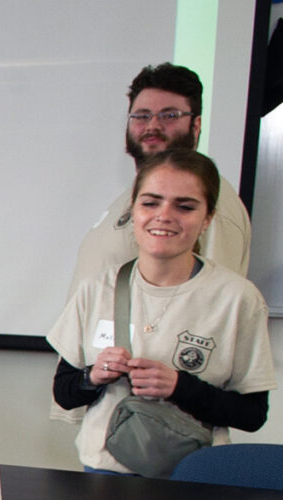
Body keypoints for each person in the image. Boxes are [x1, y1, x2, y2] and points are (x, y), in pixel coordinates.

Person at [49, 150, 275, 474]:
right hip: (104, 473)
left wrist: (179, 387)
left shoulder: (238, 298)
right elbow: (64, 393)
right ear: (133, 209)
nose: (164, 215)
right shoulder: (96, 289)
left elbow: (252, 415)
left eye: (185, 206)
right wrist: (93, 376)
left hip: (191, 477)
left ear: (208, 217)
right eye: (151, 202)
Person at [68, 63, 251, 296]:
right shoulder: (133, 195)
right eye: (142, 116)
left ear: (196, 125)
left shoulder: (209, 198)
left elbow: (212, 304)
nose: (153, 125)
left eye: (169, 115)